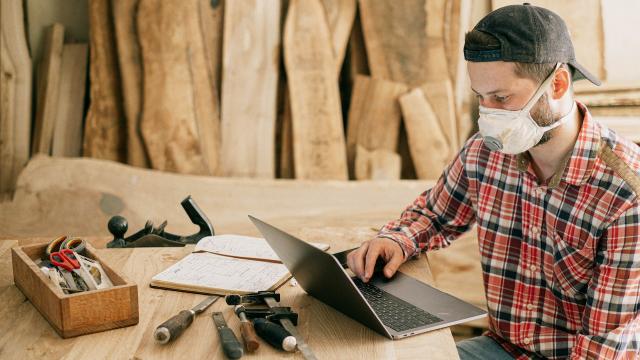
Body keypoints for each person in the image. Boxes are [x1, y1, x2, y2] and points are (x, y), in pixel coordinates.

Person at [346, 3, 640, 359]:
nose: (489, 116)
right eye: (481, 98)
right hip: (502, 347)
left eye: (502, 97)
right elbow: (435, 216)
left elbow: (603, 348)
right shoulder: (486, 154)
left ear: (559, 84)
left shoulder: (626, 195)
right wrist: (396, 240)